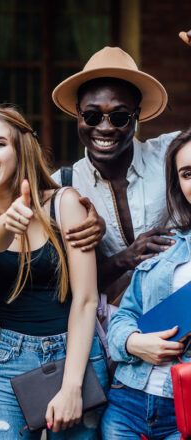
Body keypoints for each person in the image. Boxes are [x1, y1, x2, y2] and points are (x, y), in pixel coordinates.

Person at [0, 104, 108, 439]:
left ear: (20, 149)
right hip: (12, 360)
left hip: (79, 356)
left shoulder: (64, 204)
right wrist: (8, 222)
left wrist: (72, 387)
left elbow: (85, 300)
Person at [51, 44, 189, 303]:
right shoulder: (62, 187)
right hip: (108, 334)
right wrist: (122, 260)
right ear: (77, 114)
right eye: (92, 116)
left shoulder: (171, 154)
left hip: (181, 321)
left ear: (137, 116)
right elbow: (62, 291)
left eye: (119, 117)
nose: (104, 128)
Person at [101, 127, 191, 439]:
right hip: (127, 402)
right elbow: (125, 315)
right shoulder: (168, 245)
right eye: (187, 173)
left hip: (184, 412)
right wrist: (132, 343)